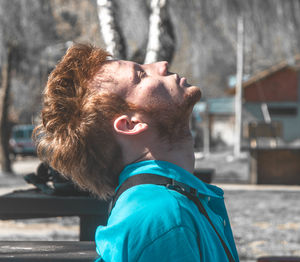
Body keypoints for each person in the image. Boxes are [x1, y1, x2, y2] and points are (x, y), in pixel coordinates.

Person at [34, 43, 239, 262]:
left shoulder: (168, 205)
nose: (162, 65)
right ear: (130, 124)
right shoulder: (163, 220)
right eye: (140, 75)